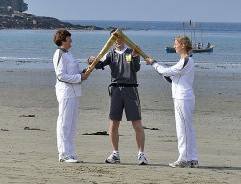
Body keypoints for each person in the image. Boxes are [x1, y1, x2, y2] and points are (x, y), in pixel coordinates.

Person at [88, 37, 148, 165]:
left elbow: (136, 68)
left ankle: (141, 155)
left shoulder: (132, 52)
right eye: (115, 39)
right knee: (114, 124)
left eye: (120, 38)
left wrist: (135, 56)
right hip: (115, 90)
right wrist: (91, 59)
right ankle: (115, 154)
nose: (118, 41)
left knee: (136, 123)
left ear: (124, 39)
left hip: (130, 90)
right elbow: (98, 65)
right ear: (111, 41)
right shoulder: (110, 54)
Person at [145, 35, 197, 168]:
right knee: (187, 128)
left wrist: (154, 63)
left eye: (176, 44)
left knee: (183, 128)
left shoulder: (186, 61)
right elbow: (170, 77)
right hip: (183, 97)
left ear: (183, 45)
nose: (174, 46)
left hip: (182, 97)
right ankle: (192, 158)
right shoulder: (185, 61)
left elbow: (167, 71)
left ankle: (184, 158)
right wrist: (159, 70)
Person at [53, 28, 89, 163]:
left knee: (72, 123)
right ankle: (63, 154)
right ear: (62, 40)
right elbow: (61, 75)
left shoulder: (68, 54)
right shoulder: (59, 54)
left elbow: (75, 71)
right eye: (69, 39)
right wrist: (79, 77)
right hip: (65, 93)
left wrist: (85, 71)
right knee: (64, 123)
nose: (71, 41)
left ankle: (70, 152)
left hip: (75, 92)